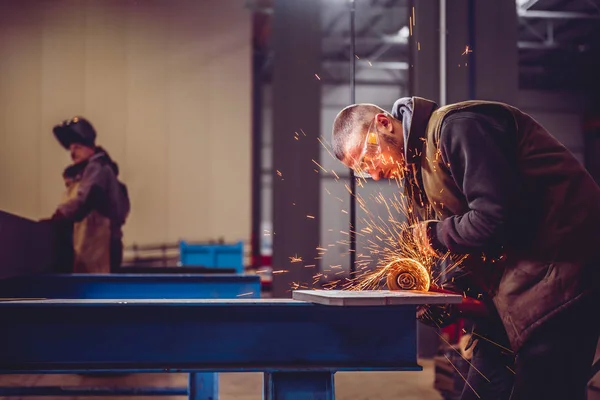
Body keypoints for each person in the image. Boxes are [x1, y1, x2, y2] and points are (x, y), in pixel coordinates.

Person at [331, 96, 600, 400]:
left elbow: (497, 217)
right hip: (516, 293)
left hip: (562, 284)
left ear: (383, 124)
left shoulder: (457, 128)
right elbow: (482, 243)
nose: (375, 174)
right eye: (364, 171)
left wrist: (435, 234)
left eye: (369, 158)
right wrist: (446, 296)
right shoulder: (420, 170)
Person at [50, 116, 130, 273]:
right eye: (71, 148)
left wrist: (59, 216)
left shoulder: (97, 169)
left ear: (90, 147)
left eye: (77, 147)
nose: (72, 152)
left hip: (100, 254)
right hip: (89, 252)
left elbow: (83, 201)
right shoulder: (83, 174)